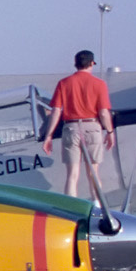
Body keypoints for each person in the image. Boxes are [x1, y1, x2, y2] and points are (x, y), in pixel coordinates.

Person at [42, 49, 114, 198]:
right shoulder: (100, 84)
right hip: (93, 128)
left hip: (71, 128)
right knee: (93, 173)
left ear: (75, 64)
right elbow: (103, 113)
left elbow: (55, 111)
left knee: (72, 175)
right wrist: (110, 132)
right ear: (92, 63)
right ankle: (98, 208)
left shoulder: (63, 83)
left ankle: (71, 210)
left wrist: (48, 136)